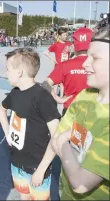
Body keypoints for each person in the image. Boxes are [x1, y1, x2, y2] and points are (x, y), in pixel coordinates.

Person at [31, 24, 109, 200]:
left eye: (95, 58)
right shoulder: (84, 96)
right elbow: (56, 139)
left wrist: (65, 139)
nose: (86, 64)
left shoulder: (66, 67)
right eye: (88, 56)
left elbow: (81, 184)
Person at [0, 48, 61, 200]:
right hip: (16, 163)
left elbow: (56, 136)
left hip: (37, 166)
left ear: (19, 72)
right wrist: (7, 134)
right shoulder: (15, 93)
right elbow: (1, 111)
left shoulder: (42, 98)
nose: (6, 72)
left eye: (8, 69)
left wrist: (41, 170)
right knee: (24, 196)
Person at [45, 27, 93, 200]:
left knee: (70, 150)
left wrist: (57, 98)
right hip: (94, 114)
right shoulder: (98, 65)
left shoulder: (65, 65)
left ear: (74, 44)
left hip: (70, 112)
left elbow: (46, 84)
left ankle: (69, 184)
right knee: (91, 151)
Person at [44, 27, 73, 97]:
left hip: (66, 66)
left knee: (63, 82)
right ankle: (54, 96)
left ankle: (61, 96)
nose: (65, 36)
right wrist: (54, 60)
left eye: (66, 35)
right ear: (59, 36)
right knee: (56, 82)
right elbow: (46, 52)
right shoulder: (56, 44)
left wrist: (71, 58)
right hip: (58, 66)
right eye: (64, 35)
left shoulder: (69, 43)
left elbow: (73, 51)